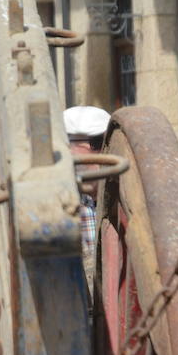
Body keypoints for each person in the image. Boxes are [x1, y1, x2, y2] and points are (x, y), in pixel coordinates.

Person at [64, 105, 110, 284]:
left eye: (109, 143)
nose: (107, 152)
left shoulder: (128, 200)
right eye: (97, 143)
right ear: (67, 147)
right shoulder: (58, 206)